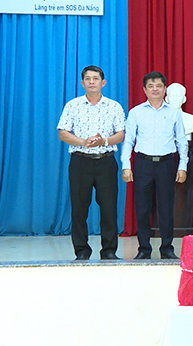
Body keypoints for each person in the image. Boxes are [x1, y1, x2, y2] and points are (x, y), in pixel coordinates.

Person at [57, 65, 125, 260]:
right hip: (80, 162)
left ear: (103, 82)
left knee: (109, 207)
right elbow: (62, 132)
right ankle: (81, 251)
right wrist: (83, 142)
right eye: (88, 79)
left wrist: (104, 141)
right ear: (82, 83)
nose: (92, 82)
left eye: (96, 78)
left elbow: (120, 134)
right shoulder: (73, 105)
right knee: (79, 208)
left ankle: (109, 251)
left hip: (106, 162)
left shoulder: (114, 106)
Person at [121, 72, 188, 260]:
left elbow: (181, 141)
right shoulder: (136, 112)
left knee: (166, 207)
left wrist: (182, 166)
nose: (155, 89)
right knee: (142, 208)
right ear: (144, 89)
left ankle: (167, 248)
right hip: (143, 164)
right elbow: (128, 141)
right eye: (151, 86)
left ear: (165, 89)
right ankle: (144, 248)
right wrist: (126, 165)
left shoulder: (173, 112)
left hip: (167, 163)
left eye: (159, 85)